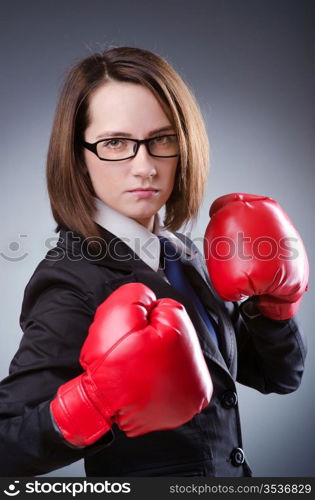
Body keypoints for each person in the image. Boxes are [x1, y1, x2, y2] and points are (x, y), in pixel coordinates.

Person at [0, 46, 308, 477]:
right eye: (115, 143)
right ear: (78, 157)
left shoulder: (184, 253)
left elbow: (279, 377)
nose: (144, 166)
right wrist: (93, 403)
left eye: (161, 139)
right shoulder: (71, 279)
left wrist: (272, 309)